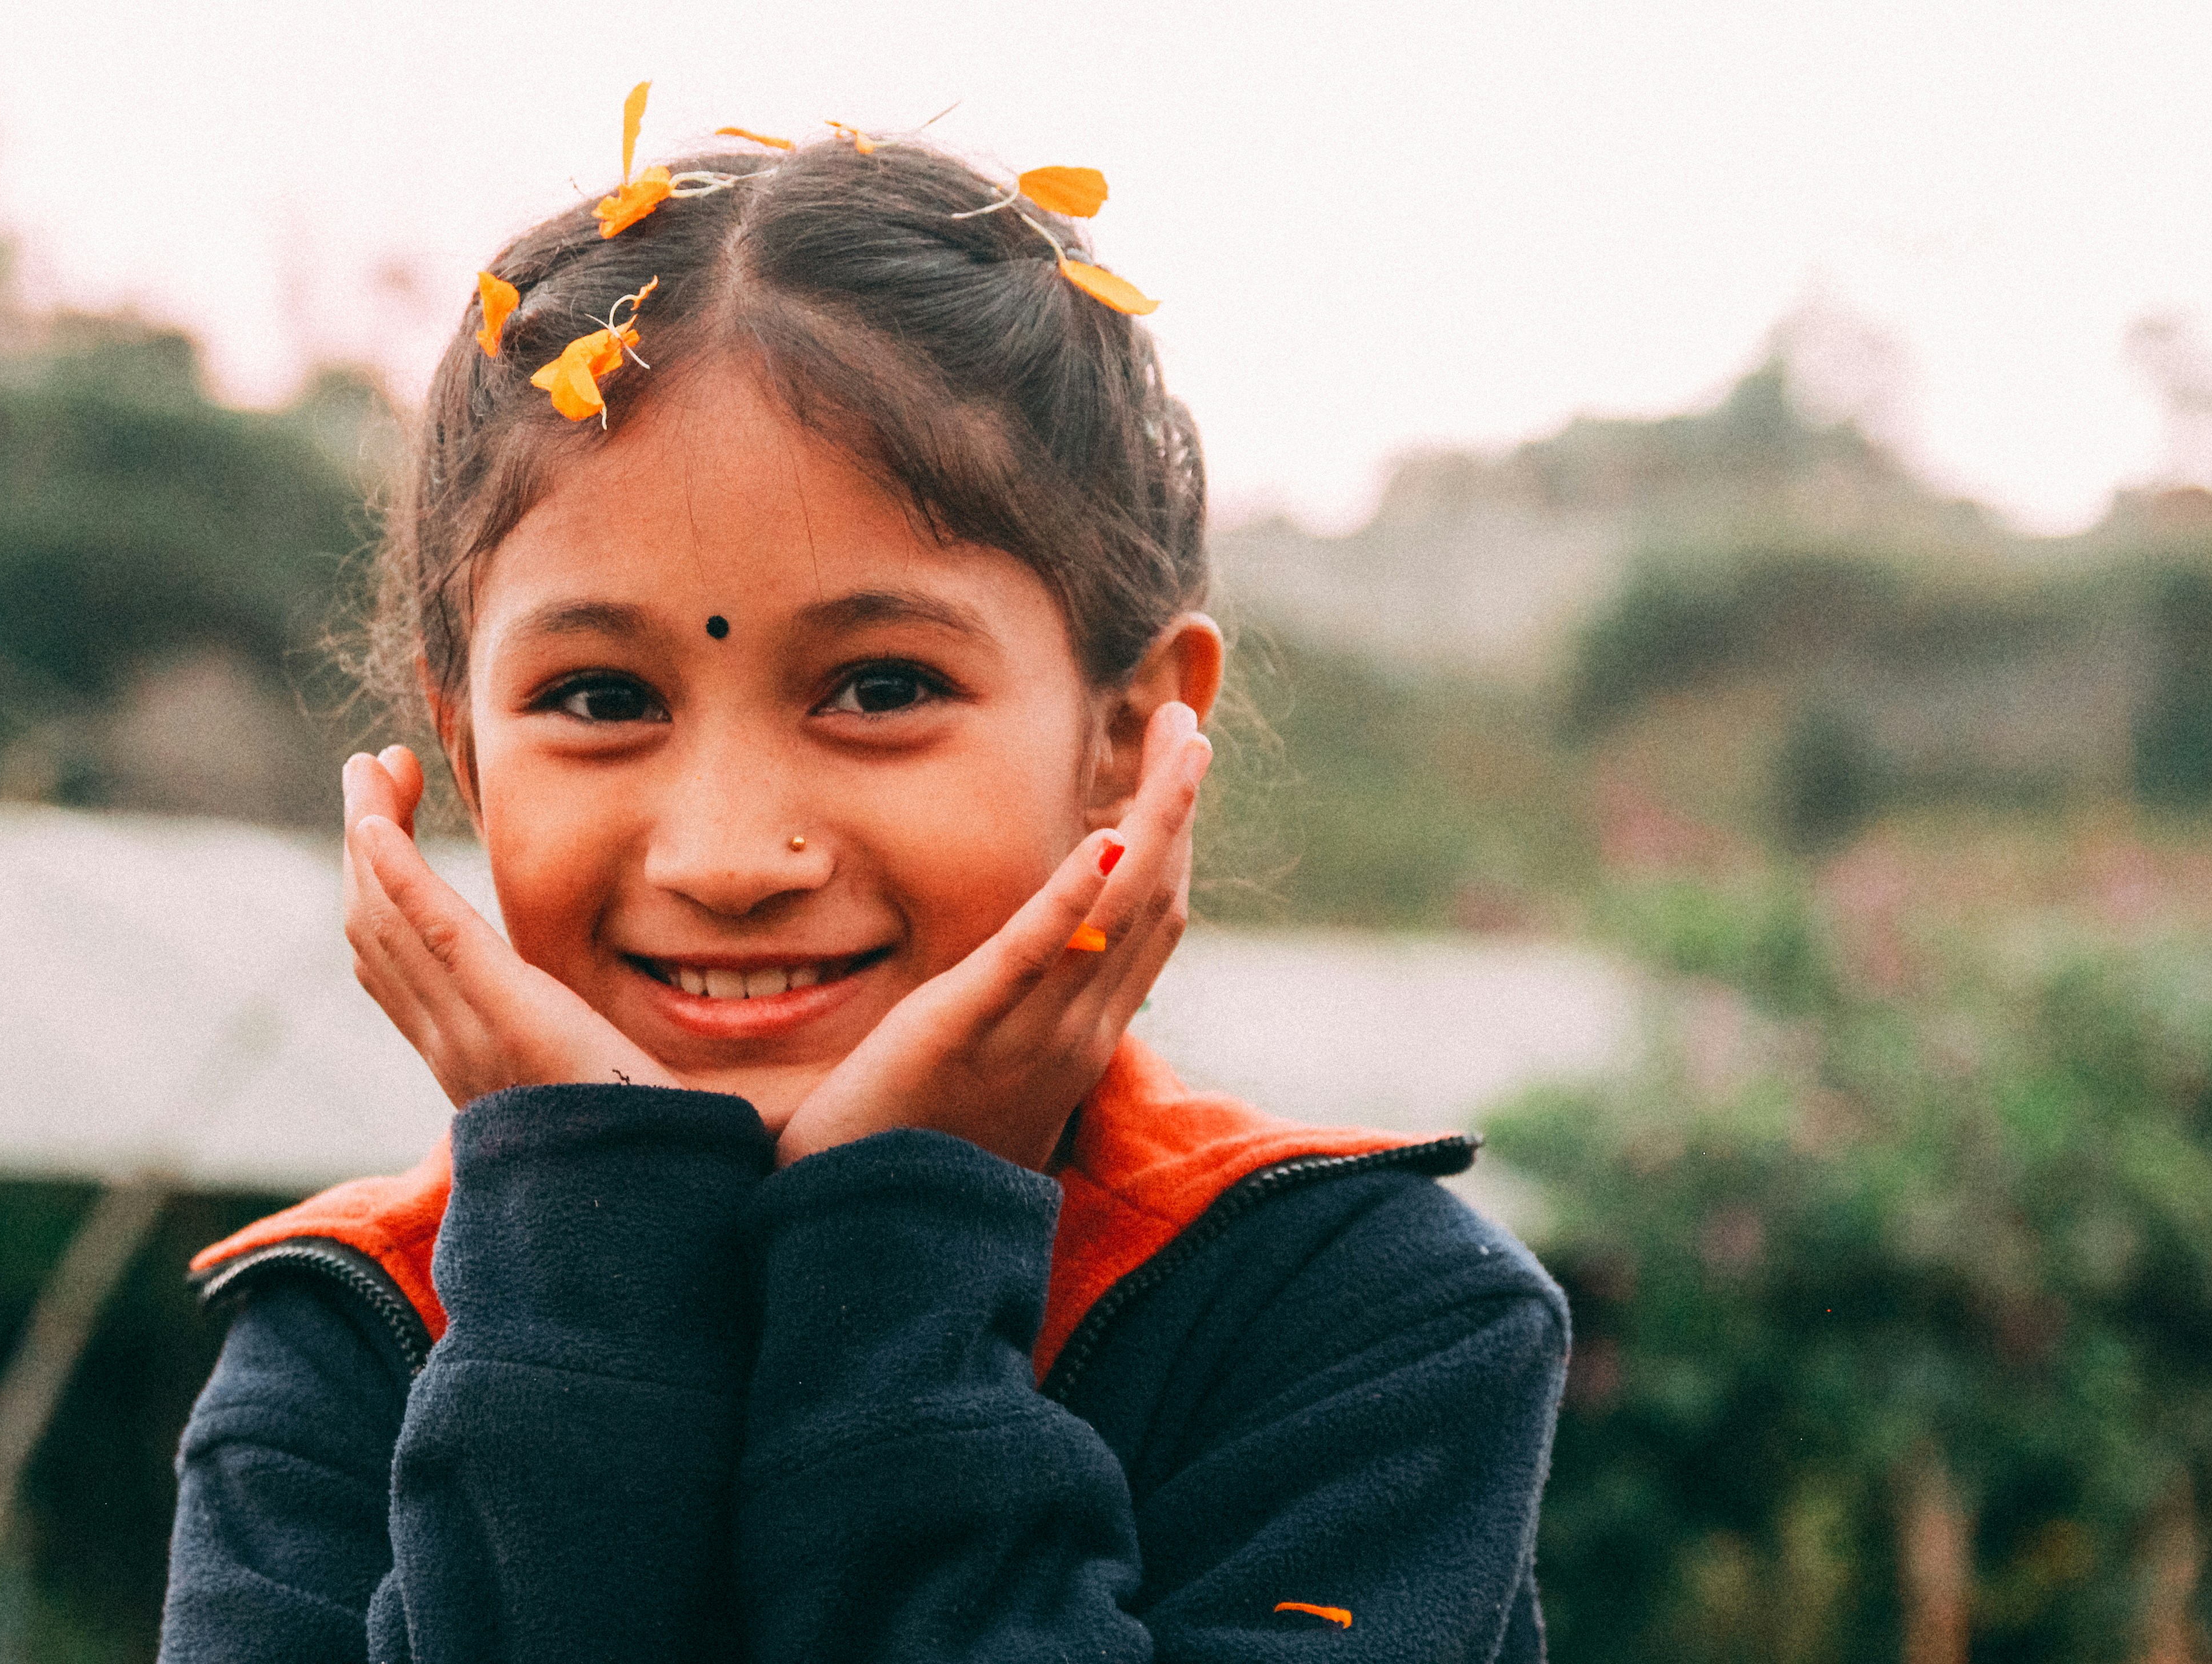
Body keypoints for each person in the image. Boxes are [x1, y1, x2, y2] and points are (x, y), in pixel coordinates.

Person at [162, 113, 1566, 1664]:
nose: (726, 857)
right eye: (599, 699)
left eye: (880, 684)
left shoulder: (1356, 1317)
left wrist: (895, 1255)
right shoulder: (348, 1342)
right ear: (464, 754)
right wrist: (582, 1255)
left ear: (1129, 732)